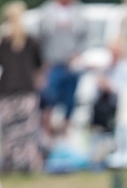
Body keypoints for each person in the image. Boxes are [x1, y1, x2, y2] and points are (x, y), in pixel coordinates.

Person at [0, 1, 44, 174]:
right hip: (26, 90)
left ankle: (10, 164)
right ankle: (28, 164)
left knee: (9, 131)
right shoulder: (31, 41)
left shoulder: (4, 42)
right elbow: (39, 64)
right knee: (27, 131)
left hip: (7, 91)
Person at [38, 0, 89, 137]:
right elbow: (41, 38)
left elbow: (84, 37)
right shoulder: (47, 11)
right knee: (49, 98)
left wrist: (77, 54)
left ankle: (66, 131)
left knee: (69, 100)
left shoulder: (78, 11)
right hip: (52, 63)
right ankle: (47, 132)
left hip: (71, 64)